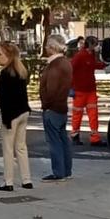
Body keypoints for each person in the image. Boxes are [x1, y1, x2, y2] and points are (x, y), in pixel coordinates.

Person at [0, 41, 32, 192]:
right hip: (23, 112)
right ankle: (26, 179)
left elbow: (2, 99)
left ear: (8, 56)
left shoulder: (4, 74)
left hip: (11, 115)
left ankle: (8, 182)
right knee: (21, 147)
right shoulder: (21, 70)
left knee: (8, 149)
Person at [39, 34, 73, 181]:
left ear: (52, 48)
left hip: (53, 108)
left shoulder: (55, 65)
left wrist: (46, 105)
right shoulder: (66, 62)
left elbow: (51, 89)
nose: (45, 48)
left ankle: (58, 172)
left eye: (47, 45)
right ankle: (66, 170)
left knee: (54, 141)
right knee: (63, 139)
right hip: (61, 106)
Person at [70, 36, 107, 146]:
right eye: (95, 44)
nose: (97, 47)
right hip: (80, 90)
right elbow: (71, 69)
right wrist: (72, 86)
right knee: (78, 114)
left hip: (90, 90)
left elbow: (93, 65)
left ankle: (95, 138)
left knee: (93, 115)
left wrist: (104, 64)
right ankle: (75, 135)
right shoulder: (80, 56)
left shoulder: (90, 55)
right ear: (90, 45)